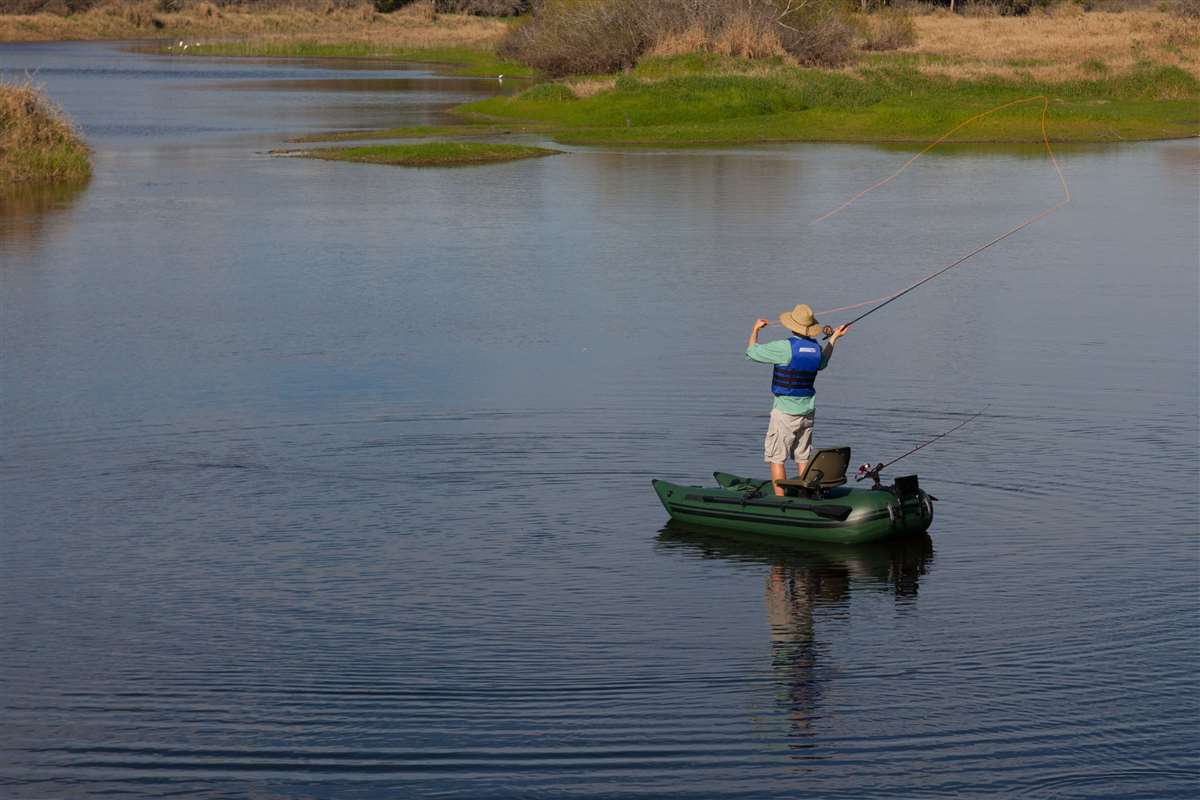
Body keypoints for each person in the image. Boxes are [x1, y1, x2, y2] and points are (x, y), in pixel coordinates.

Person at [746, 304, 849, 496]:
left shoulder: (784, 347)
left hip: (785, 412)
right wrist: (834, 338)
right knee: (803, 457)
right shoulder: (816, 349)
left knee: (777, 457)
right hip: (807, 413)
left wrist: (755, 330)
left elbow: (751, 352)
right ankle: (806, 496)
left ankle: (781, 502)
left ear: (792, 325)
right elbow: (823, 363)